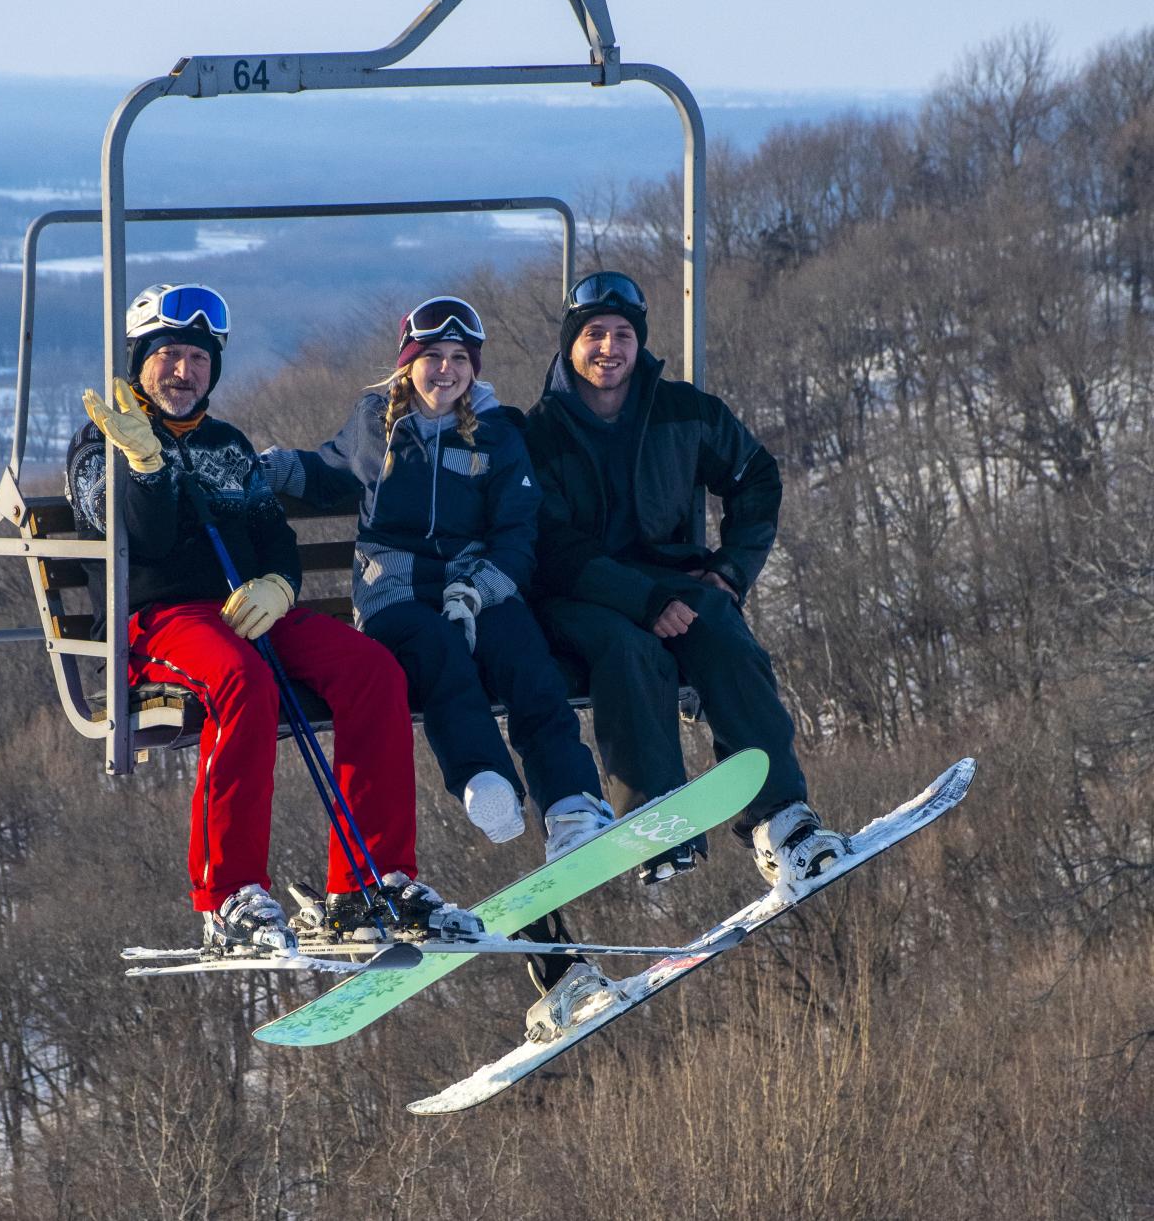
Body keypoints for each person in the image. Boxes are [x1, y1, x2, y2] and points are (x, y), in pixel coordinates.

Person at [65, 282, 475, 951]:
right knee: (241, 681)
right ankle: (227, 895)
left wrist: (281, 585)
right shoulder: (100, 441)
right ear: (140, 360)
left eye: (198, 359)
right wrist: (145, 464)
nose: (183, 371)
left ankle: (372, 879)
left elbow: (272, 534)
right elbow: (144, 538)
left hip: (244, 608)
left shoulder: (226, 442)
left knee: (372, 670)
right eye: (168, 355)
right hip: (158, 619)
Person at [522, 271, 850, 889]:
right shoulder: (539, 433)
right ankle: (654, 817)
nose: (609, 348)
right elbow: (551, 547)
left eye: (623, 334)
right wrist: (642, 600)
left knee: (722, 629)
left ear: (639, 343)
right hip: (579, 594)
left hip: (665, 582)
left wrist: (730, 568)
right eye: (594, 334)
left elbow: (755, 474)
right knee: (629, 648)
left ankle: (781, 820)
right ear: (570, 343)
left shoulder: (682, 411)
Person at [260, 295, 611, 860]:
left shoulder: (497, 437)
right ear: (408, 362)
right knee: (437, 651)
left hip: (474, 584)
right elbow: (327, 471)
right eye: (433, 356)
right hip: (392, 589)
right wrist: (264, 469)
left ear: (474, 368)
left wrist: (478, 589)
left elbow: (518, 533)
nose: (445, 369)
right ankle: (484, 779)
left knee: (525, 660)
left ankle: (570, 804)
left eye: (459, 357)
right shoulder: (376, 424)